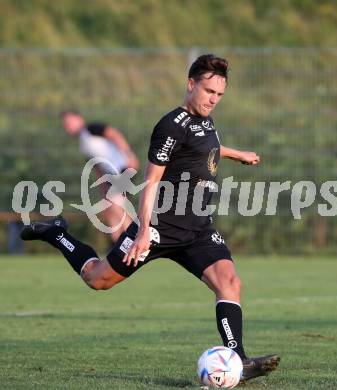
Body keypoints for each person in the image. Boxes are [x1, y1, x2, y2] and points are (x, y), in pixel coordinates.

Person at [22, 54, 280, 382]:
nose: (213, 99)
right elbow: (151, 181)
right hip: (159, 228)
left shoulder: (205, 120)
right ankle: (57, 233)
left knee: (230, 282)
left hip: (197, 228)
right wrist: (144, 230)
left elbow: (205, 147)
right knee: (97, 279)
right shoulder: (169, 126)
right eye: (208, 91)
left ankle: (238, 361)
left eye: (219, 94)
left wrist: (235, 153)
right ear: (191, 84)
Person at [61, 110, 139, 241]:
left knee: (116, 206)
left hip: (122, 167)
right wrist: (103, 192)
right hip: (111, 175)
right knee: (111, 211)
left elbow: (114, 134)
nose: (68, 126)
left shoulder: (91, 129)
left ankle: (131, 241)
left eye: (69, 122)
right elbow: (98, 169)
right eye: (65, 125)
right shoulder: (83, 145)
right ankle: (119, 245)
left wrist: (129, 154)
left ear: (79, 119)